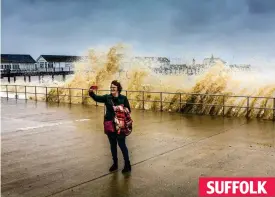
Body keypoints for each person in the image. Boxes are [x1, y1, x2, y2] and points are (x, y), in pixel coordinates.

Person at [89, 80, 132, 173]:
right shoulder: (107, 98)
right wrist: (91, 93)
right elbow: (97, 98)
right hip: (110, 125)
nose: (112, 89)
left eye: (114, 88)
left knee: (122, 145)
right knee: (113, 145)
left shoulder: (123, 98)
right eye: (111, 87)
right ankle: (115, 164)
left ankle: (127, 165)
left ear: (118, 89)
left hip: (120, 126)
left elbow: (128, 110)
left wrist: (120, 109)